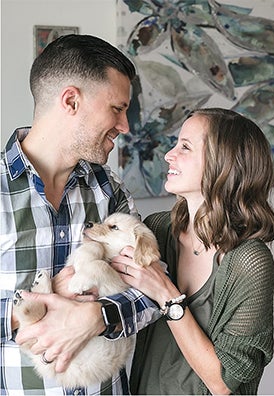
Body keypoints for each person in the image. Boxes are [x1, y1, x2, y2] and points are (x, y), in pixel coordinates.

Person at [1, 34, 159, 394]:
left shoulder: (109, 189)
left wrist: (94, 317)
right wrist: (29, 307)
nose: (125, 127)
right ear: (71, 100)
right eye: (117, 109)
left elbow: (153, 290)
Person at [110, 108, 274, 394]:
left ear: (223, 164)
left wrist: (167, 295)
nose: (168, 155)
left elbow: (223, 381)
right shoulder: (158, 230)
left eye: (185, 147)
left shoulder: (250, 261)